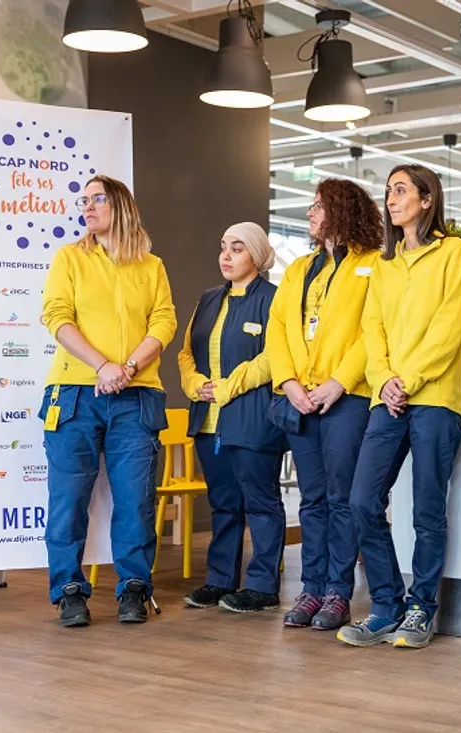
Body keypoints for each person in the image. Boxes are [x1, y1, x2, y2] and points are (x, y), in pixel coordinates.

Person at [338, 164, 461, 649]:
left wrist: (409, 379)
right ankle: (385, 605)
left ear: (426, 199)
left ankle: (421, 609)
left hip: (435, 398)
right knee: (361, 501)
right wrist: (385, 381)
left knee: (427, 509)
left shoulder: (453, 253)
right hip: (387, 399)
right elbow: (371, 329)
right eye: (389, 192)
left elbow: (449, 326)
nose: (391, 200)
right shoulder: (383, 264)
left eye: (401, 191)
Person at [41, 175, 177, 627]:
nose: (87, 207)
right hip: (75, 393)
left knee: (137, 500)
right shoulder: (70, 258)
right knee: (67, 501)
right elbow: (56, 317)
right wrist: (102, 366)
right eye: (83, 201)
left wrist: (129, 368)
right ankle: (70, 591)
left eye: (97, 198)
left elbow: (164, 321)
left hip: (136, 395)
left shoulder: (151, 266)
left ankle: (134, 589)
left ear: (121, 205)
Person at [266, 180, 384, 631]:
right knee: (311, 500)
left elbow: (371, 332)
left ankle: (338, 591)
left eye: (319, 206)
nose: (311, 213)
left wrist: (339, 381)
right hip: (300, 397)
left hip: (346, 399)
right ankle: (311, 587)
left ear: (342, 209)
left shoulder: (373, 265)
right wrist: (288, 381)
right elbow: (278, 328)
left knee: (341, 498)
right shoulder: (298, 269)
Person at [180, 223, 286, 614]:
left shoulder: (275, 299)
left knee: (260, 502)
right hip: (208, 420)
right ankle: (220, 580)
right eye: (223, 247)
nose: (226, 255)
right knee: (224, 503)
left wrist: (228, 385)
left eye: (237, 248)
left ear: (256, 256)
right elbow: (186, 353)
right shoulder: (208, 299)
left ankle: (262, 585)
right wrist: (194, 384)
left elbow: (276, 354)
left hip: (253, 417)